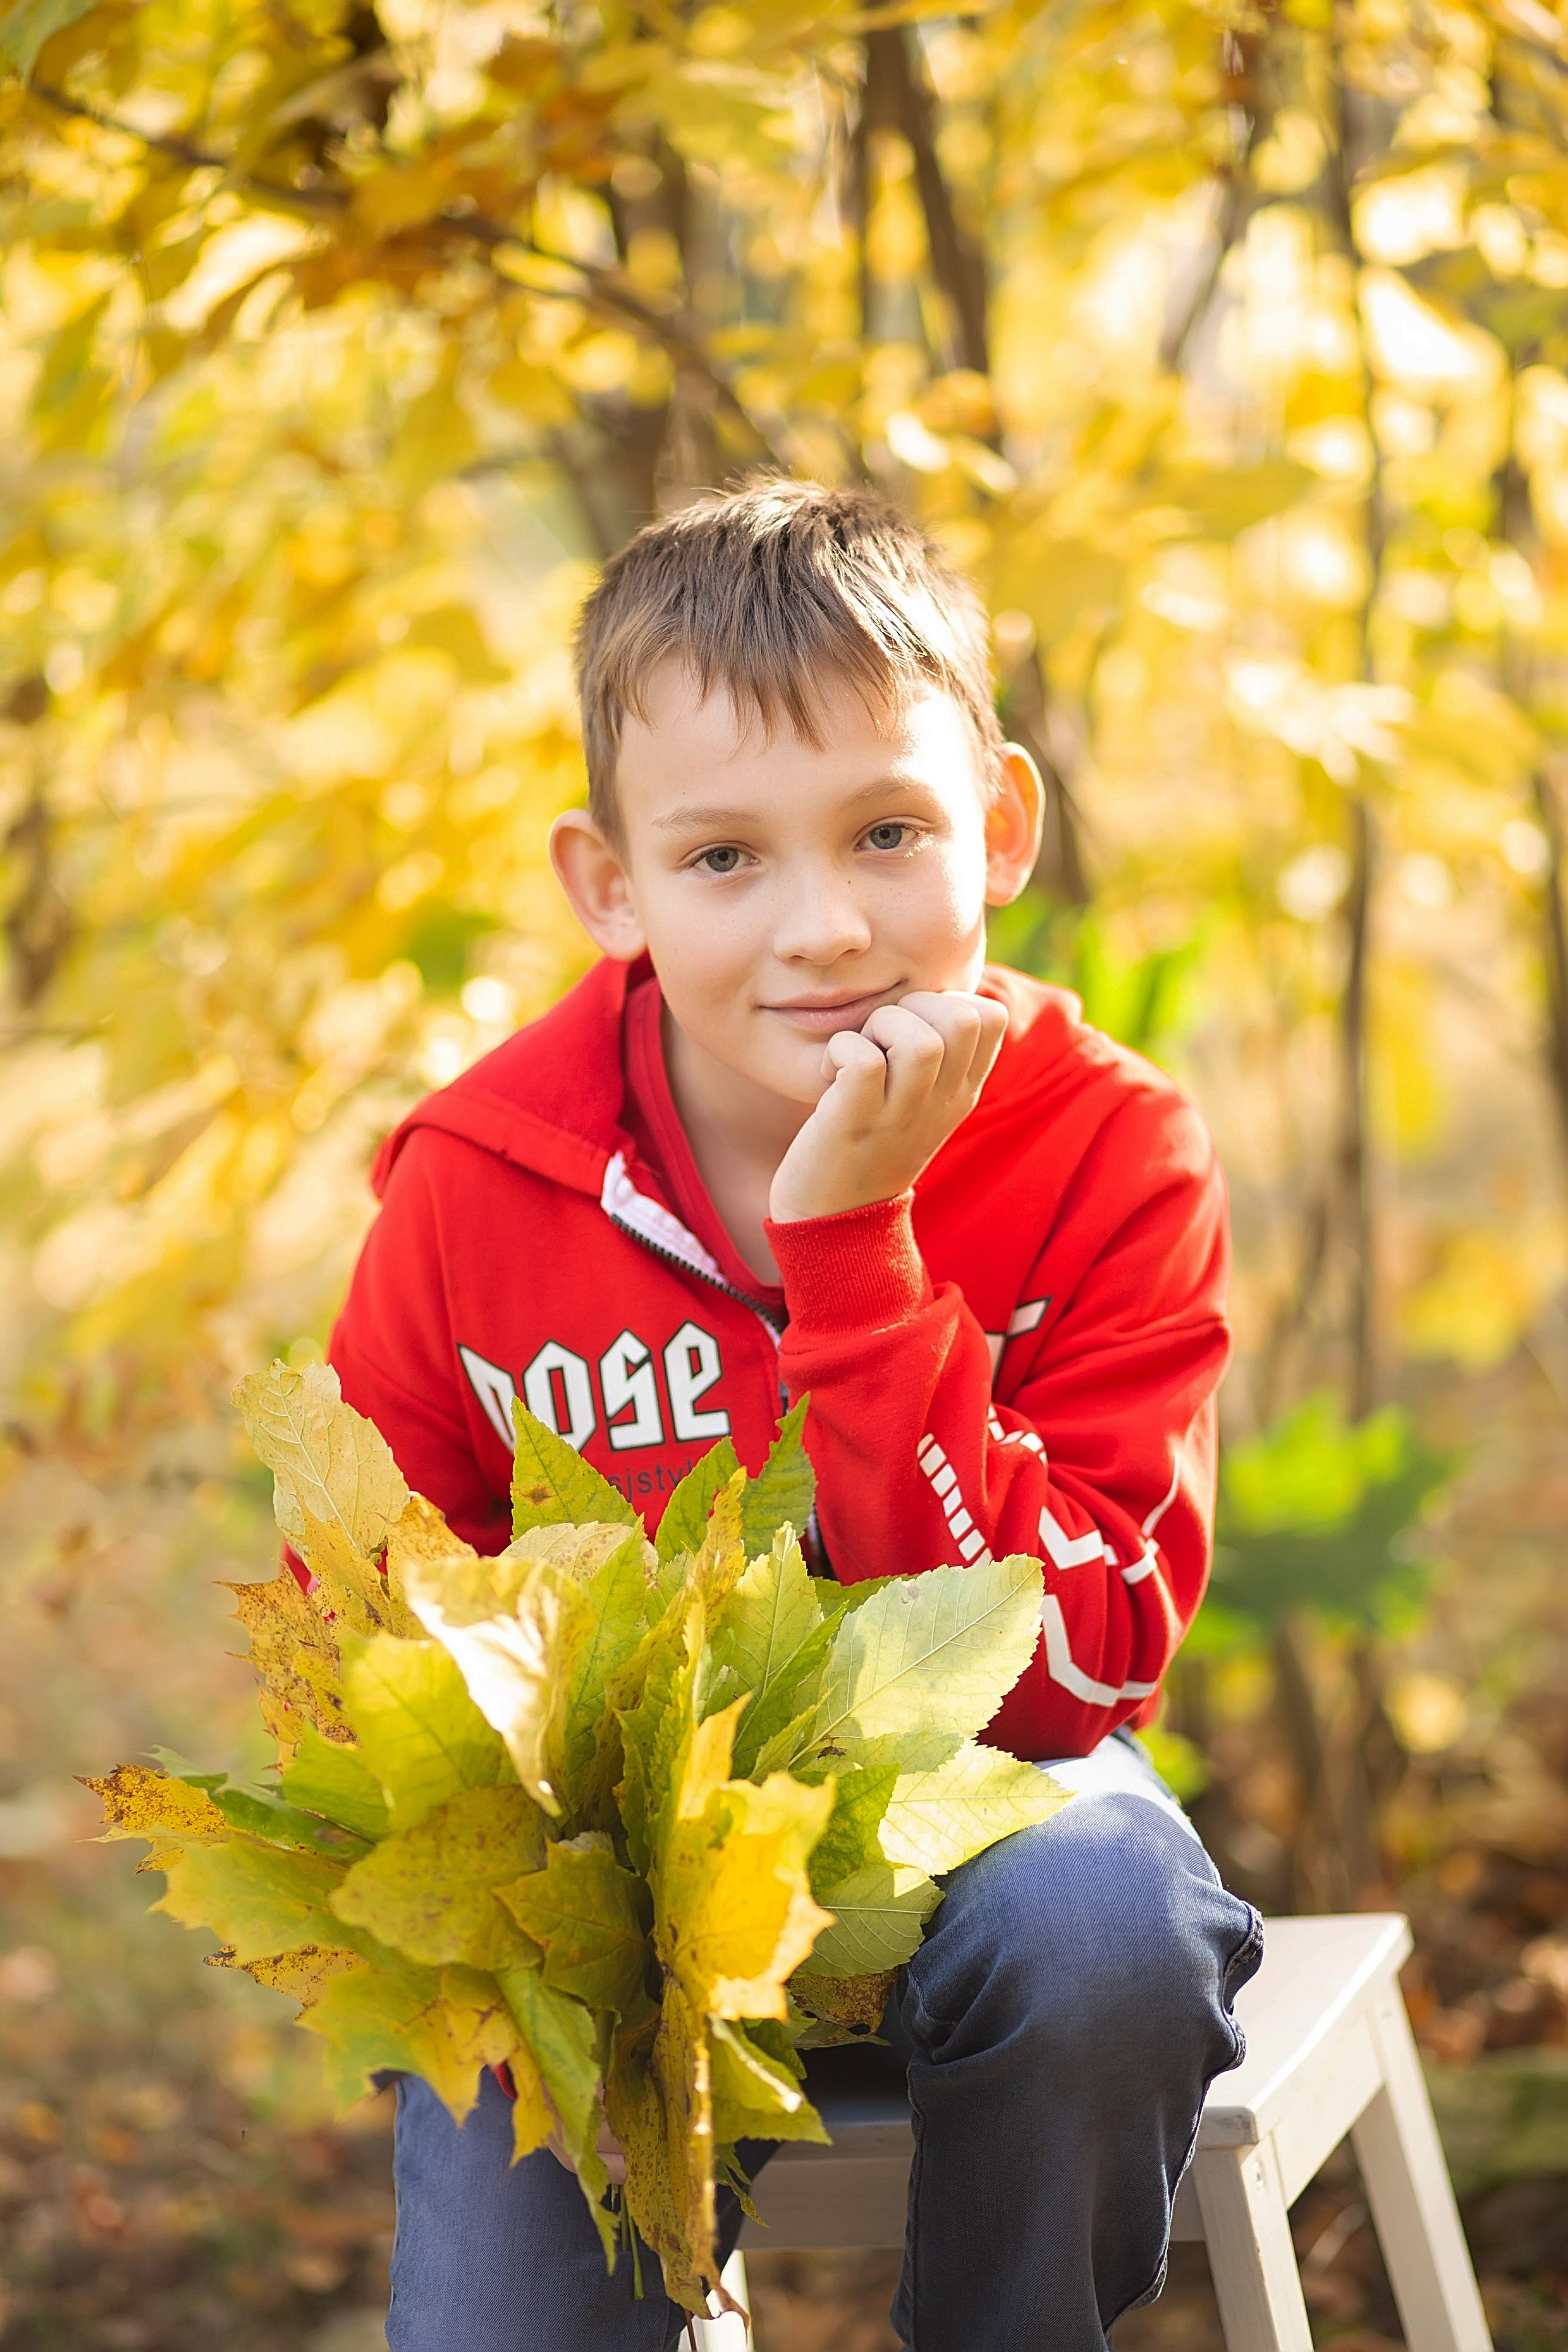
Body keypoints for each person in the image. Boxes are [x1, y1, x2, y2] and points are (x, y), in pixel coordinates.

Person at [330, 479, 1262, 2351]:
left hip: (986, 1820)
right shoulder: (481, 1184)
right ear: (611, 885)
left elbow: (1076, 1678)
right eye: (725, 859)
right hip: (619, 1873)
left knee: (1105, 1916)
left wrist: (857, 1261)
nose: (826, 928)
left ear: (999, 827)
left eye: (890, 831)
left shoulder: (1107, 1148)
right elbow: (369, 1606)